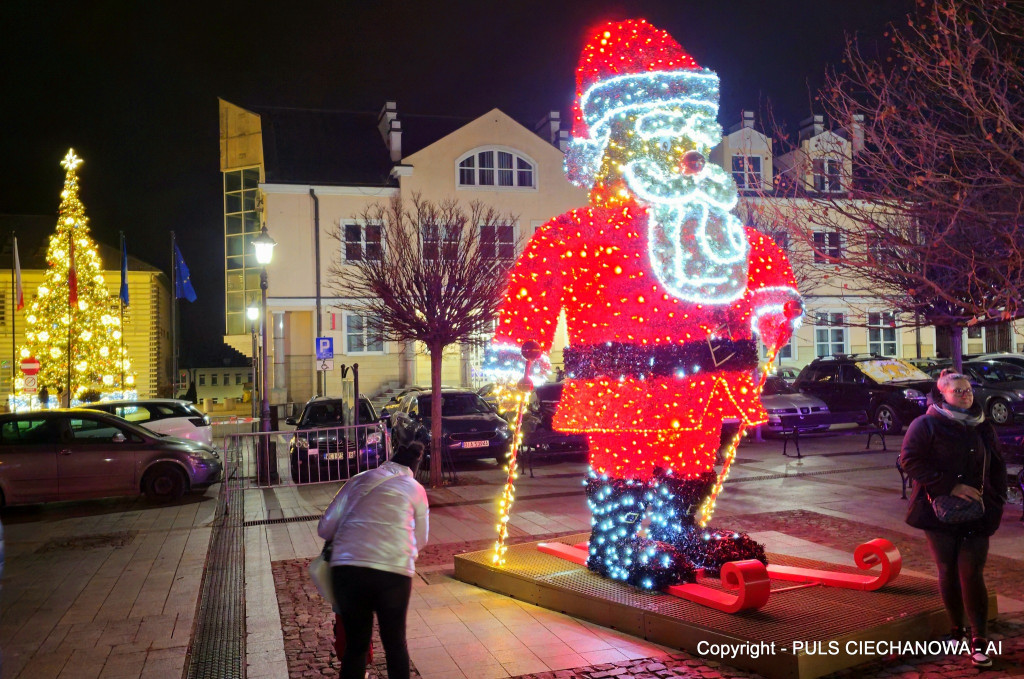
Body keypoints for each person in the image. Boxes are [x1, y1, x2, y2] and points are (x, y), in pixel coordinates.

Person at [485, 19, 802, 590]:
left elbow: (761, 259)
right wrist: (518, 344)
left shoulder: (716, 227)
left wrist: (774, 304)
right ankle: (614, 543)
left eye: (696, 138)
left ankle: (678, 532)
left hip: (704, 376)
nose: (689, 155)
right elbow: (536, 282)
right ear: (615, 146)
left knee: (693, 457)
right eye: (668, 138)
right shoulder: (577, 231)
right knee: (623, 460)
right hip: (618, 379)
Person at [900, 369, 1007, 668]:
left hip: (978, 512)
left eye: (968, 389)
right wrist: (950, 485)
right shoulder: (926, 424)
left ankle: (979, 638)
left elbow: (997, 463)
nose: (965, 394)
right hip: (937, 510)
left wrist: (996, 499)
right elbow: (909, 460)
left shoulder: (983, 425)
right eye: (957, 390)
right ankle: (956, 630)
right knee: (947, 570)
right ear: (942, 394)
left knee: (971, 572)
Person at [318, 443, 428, 679]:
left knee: (356, 646)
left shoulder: (358, 479)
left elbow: (325, 527)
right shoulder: (415, 488)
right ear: (413, 468)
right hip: (393, 571)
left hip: (348, 568)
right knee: (395, 644)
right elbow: (422, 538)